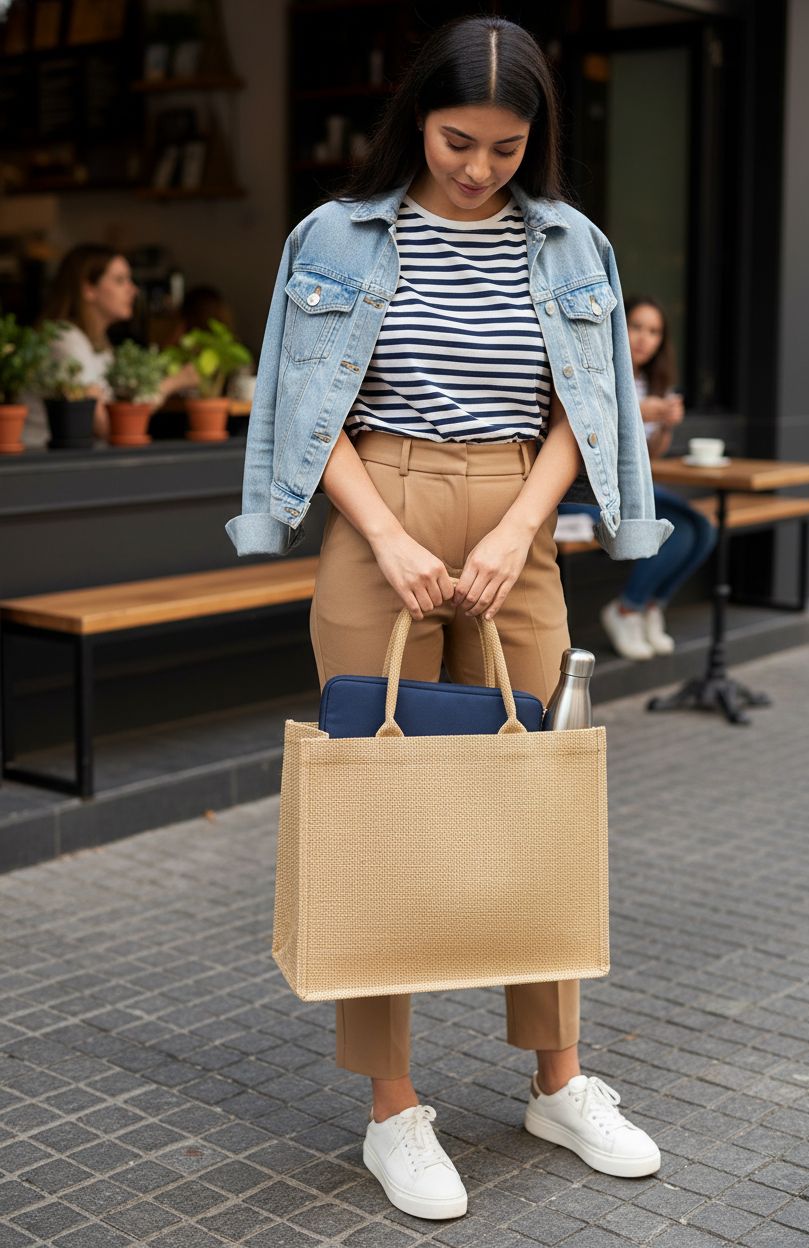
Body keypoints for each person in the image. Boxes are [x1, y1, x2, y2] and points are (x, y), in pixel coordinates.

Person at [227, 15, 671, 1222]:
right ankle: (394, 1110)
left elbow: (590, 405)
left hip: (516, 514)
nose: (478, 167)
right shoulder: (334, 236)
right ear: (414, 118)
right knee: (382, 811)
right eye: (457, 139)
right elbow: (303, 402)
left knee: (542, 800)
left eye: (505, 147)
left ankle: (559, 1080)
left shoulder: (572, 243)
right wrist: (386, 535)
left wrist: (524, 526)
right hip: (382, 505)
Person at [562, 296, 717, 659]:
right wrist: (640, 412)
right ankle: (626, 610)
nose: (644, 338)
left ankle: (648, 607)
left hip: (630, 488)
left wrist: (663, 424)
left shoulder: (651, 382)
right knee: (669, 529)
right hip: (589, 495)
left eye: (654, 331)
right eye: (637, 327)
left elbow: (646, 458)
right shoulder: (600, 370)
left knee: (702, 527)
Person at [29, 244, 197, 445]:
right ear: (88, 289)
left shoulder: (98, 344)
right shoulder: (65, 339)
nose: (133, 290)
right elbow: (108, 426)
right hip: (42, 460)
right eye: (120, 280)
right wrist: (172, 382)